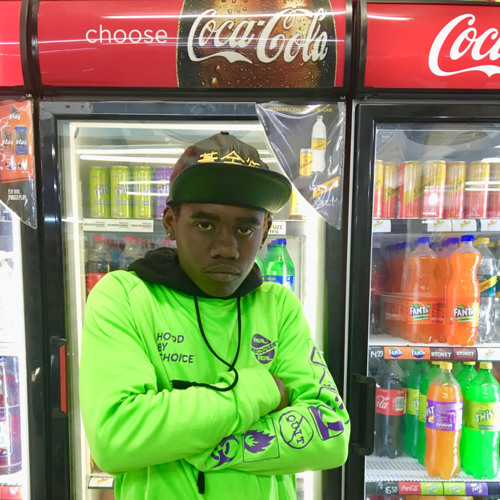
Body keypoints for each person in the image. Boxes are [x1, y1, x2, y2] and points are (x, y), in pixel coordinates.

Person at [79, 132, 350, 500]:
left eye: (245, 228)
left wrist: (197, 447)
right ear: (170, 222)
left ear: (265, 231)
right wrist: (262, 389)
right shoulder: (123, 297)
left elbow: (331, 435)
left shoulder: (279, 306)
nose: (227, 248)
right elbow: (115, 439)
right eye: (205, 224)